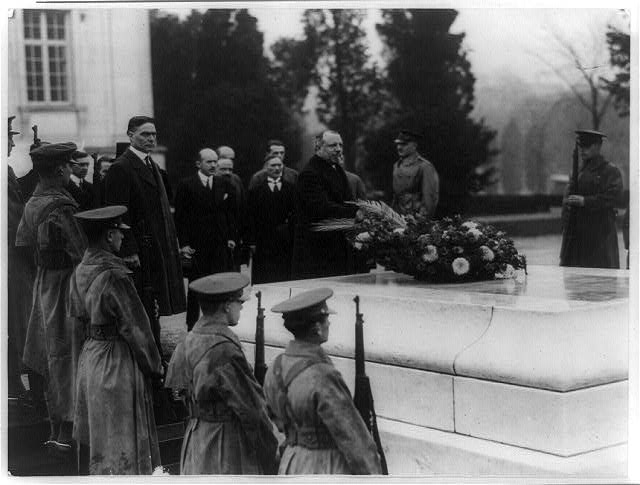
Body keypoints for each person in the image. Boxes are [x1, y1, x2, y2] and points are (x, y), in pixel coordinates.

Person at [69, 206, 163, 475]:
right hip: (117, 363)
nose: (123, 238)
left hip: (90, 359)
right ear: (109, 236)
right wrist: (155, 368)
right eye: (120, 233)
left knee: (97, 440)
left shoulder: (80, 271)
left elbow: (75, 317)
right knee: (122, 444)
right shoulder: (116, 275)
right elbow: (136, 328)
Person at [164, 273, 278, 475]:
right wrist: (270, 454)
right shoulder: (225, 350)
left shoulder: (187, 341)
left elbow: (177, 393)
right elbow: (253, 411)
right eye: (238, 302)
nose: (241, 307)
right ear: (226, 305)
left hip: (196, 440)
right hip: (225, 446)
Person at [15, 142, 88, 452]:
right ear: (60, 169)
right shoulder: (62, 206)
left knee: (48, 354)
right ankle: (66, 431)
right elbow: (82, 253)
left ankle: (54, 427)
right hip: (66, 287)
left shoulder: (33, 201)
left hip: (43, 285)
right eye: (70, 165)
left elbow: (22, 245)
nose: (71, 170)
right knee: (67, 355)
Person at [263, 288, 382, 475]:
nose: (329, 323)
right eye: (326, 319)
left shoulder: (276, 367)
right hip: (324, 467)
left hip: (291, 463)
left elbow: (272, 414)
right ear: (317, 328)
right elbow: (355, 441)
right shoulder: (324, 375)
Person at [103, 115, 186, 355]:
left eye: (153, 135)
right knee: (141, 307)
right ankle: (146, 358)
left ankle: (154, 354)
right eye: (144, 135)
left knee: (154, 305)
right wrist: (128, 250)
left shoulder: (152, 166)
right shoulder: (122, 167)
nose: (151, 139)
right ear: (130, 135)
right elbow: (117, 213)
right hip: (138, 251)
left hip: (156, 248)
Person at [174, 148, 238, 330]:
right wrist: (184, 244)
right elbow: (180, 218)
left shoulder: (223, 184)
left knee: (219, 286)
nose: (213, 165)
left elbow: (231, 215)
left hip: (219, 246)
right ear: (198, 164)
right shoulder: (186, 185)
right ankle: (192, 327)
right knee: (196, 288)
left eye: (215, 161)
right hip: (197, 246)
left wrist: (231, 237)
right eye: (209, 162)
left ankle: (219, 326)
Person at [291, 130, 359, 279]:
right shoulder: (310, 174)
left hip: (336, 244)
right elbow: (322, 208)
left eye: (340, 145)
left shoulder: (336, 169)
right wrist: (355, 213)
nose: (339, 149)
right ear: (319, 148)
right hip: (318, 249)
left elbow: (347, 200)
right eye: (332, 145)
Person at [560, 129, 623, 269]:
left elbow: (614, 197)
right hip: (577, 237)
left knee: (601, 280)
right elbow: (566, 202)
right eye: (581, 146)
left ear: (598, 146)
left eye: (587, 146)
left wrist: (585, 201)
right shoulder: (577, 171)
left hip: (600, 236)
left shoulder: (609, 171)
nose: (583, 150)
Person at [7, 116, 37, 400]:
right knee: (15, 317)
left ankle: (17, 381)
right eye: (7, 137)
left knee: (19, 318)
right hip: (11, 258)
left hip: (15, 256)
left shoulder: (7, 170)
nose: (11, 142)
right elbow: (13, 215)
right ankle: (14, 384)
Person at [246, 153, 296, 283]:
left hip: (285, 240)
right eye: (273, 165)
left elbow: (296, 213)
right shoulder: (256, 191)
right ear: (266, 168)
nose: (277, 168)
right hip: (263, 240)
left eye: (279, 165)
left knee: (284, 274)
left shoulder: (291, 189)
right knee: (264, 275)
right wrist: (251, 241)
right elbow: (250, 217)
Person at [391, 129, 439, 219]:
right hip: (398, 219)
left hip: (416, 220)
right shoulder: (396, 166)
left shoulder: (425, 167)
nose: (399, 147)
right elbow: (396, 198)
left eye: (404, 144)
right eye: (398, 144)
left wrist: (421, 221)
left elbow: (430, 199)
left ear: (414, 146)